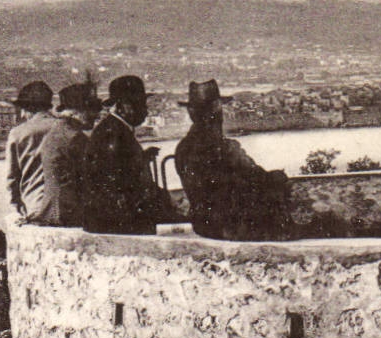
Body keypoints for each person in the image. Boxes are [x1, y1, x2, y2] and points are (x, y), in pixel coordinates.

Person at [174, 79, 291, 240]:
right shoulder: (225, 149)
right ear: (217, 109)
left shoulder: (183, 148)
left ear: (191, 112)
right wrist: (277, 177)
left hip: (203, 227)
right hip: (233, 228)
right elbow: (257, 178)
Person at [83, 75, 174, 235]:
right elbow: (118, 185)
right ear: (123, 106)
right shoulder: (114, 134)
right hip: (117, 225)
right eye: (139, 104)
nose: (145, 110)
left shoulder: (115, 129)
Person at [5, 80, 85, 226]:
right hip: (65, 207)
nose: (22, 115)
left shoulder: (17, 134)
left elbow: (12, 178)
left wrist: (16, 207)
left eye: (22, 109)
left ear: (28, 108)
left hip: (33, 207)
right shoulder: (64, 128)